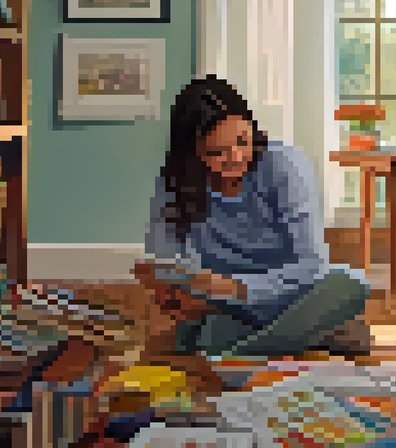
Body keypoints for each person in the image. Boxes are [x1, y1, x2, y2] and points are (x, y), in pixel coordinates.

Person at [138, 75, 373, 357]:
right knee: (207, 330)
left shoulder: (285, 165)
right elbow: (166, 258)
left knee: (351, 284)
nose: (235, 157)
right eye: (217, 151)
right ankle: (311, 333)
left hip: (289, 292)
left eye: (242, 141)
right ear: (192, 152)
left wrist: (237, 287)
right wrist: (171, 289)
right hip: (222, 300)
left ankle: (234, 355)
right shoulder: (174, 181)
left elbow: (312, 264)